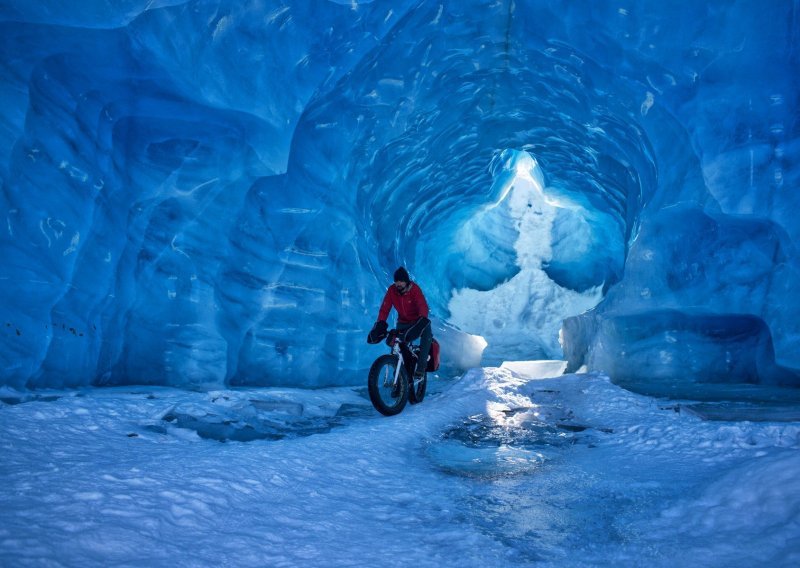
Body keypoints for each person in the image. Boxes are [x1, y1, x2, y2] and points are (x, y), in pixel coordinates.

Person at [368, 267, 433, 379]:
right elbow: (385, 308)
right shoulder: (392, 291)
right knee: (396, 346)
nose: (398, 284)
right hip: (403, 322)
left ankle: (421, 368)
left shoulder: (414, 289)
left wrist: (422, 320)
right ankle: (399, 374)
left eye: (401, 281)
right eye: (396, 281)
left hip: (418, 321)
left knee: (427, 337)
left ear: (406, 281)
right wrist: (380, 323)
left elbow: (423, 305)